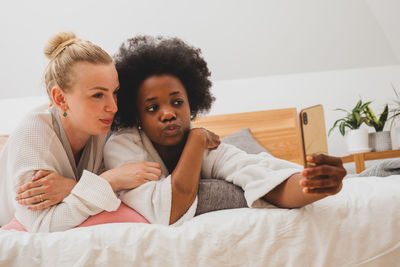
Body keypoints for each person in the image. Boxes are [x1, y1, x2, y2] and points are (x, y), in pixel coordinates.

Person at [104, 36, 347, 226]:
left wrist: (314, 188)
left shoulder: (209, 149)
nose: (168, 113)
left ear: (192, 105)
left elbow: (264, 181)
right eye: (153, 107)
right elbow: (167, 211)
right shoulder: (122, 147)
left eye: (177, 102)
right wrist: (197, 138)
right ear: (137, 117)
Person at [0, 32, 162, 232]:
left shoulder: (104, 130)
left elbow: (121, 195)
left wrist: (71, 187)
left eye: (114, 92)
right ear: (60, 99)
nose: (113, 107)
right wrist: (109, 180)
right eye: (97, 95)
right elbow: (41, 225)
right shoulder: (33, 134)